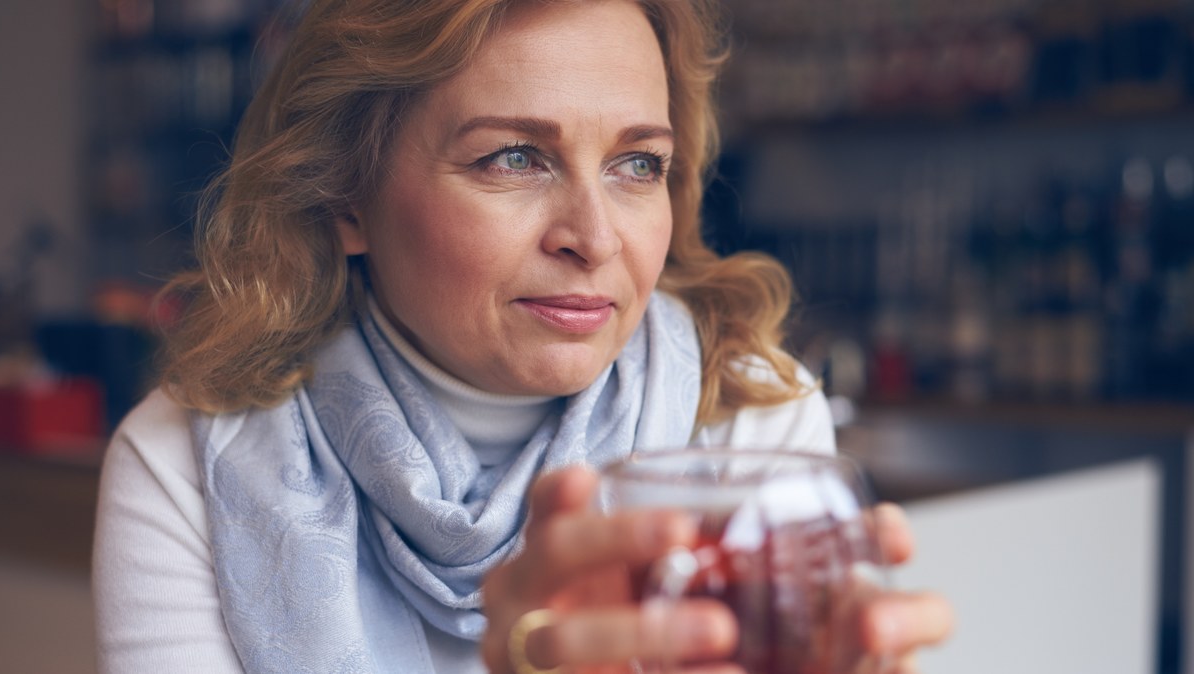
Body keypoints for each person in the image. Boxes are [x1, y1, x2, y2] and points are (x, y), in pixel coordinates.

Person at [93, 0, 953, 672]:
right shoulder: (188, 467)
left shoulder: (749, 424)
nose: (595, 235)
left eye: (636, 165)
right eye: (513, 157)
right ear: (345, 196)